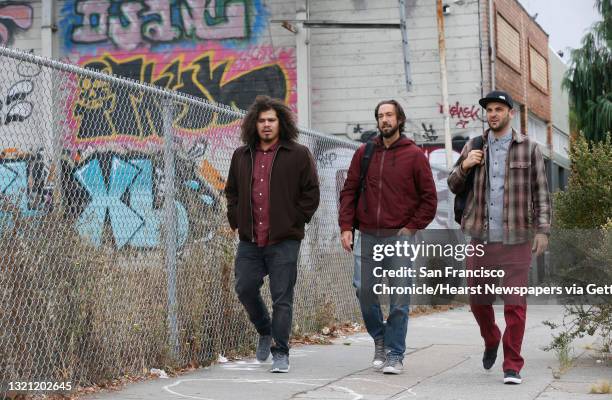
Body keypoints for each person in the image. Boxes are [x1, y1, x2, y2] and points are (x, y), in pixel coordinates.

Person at [448, 90, 551, 385]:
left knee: (515, 304)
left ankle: (512, 365)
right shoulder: (474, 146)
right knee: (478, 301)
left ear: (510, 114)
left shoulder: (529, 148)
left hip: (516, 238)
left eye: (498, 109)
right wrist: (466, 165)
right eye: (489, 110)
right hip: (481, 240)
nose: (493, 114)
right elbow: (453, 185)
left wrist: (543, 231)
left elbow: (542, 193)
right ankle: (491, 338)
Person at [338, 100, 437, 374]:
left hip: (398, 237)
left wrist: (411, 227)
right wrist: (347, 227)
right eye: (380, 116)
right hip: (367, 235)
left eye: (389, 115)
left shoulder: (414, 155)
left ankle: (395, 353)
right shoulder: (365, 153)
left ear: (400, 119)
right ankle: (379, 338)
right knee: (364, 290)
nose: (385, 120)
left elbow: (429, 198)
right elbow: (348, 191)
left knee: (398, 299)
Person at [225, 95, 320, 373]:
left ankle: (281, 351)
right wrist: (235, 218)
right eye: (261, 120)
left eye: (271, 120)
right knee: (244, 288)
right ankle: (265, 330)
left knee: (282, 297)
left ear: (280, 123)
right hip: (250, 240)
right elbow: (231, 192)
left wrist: (294, 221)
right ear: (254, 124)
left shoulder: (298, 154)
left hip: (284, 240)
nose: (266, 125)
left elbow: (311, 192)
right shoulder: (241, 155)